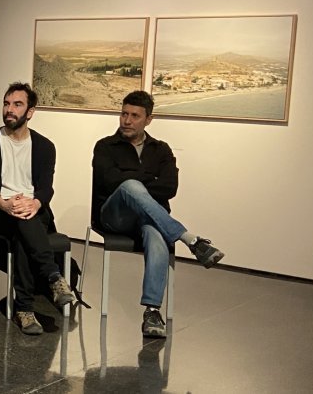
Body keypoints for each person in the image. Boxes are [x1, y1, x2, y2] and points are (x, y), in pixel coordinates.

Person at [93, 90, 226, 339]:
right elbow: (109, 182)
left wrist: (134, 181)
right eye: (123, 114)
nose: (127, 120)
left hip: (150, 218)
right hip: (115, 217)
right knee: (130, 188)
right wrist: (143, 181)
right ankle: (191, 240)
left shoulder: (161, 149)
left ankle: (152, 311)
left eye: (134, 115)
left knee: (156, 234)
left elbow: (169, 187)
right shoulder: (105, 146)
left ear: (148, 119)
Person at [0, 82, 75, 336]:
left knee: (24, 227)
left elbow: (46, 189)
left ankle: (25, 308)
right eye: (6, 104)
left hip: (34, 211)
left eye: (17, 104)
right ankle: (53, 278)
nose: (9, 110)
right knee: (21, 220)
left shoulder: (45, 146)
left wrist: (34, 203)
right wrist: (6, 204)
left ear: (30, 111)